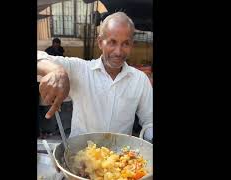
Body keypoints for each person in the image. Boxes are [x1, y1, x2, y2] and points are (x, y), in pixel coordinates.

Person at [37, 12, 153, 142]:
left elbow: (150, 121)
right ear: (100, 43)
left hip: (119, 159)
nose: (118, 51)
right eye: (112, 42)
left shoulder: (140, 80)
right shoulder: (80, 69)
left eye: (125, 44)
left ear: (131, 45)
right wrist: (56, 70)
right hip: (79, 157)